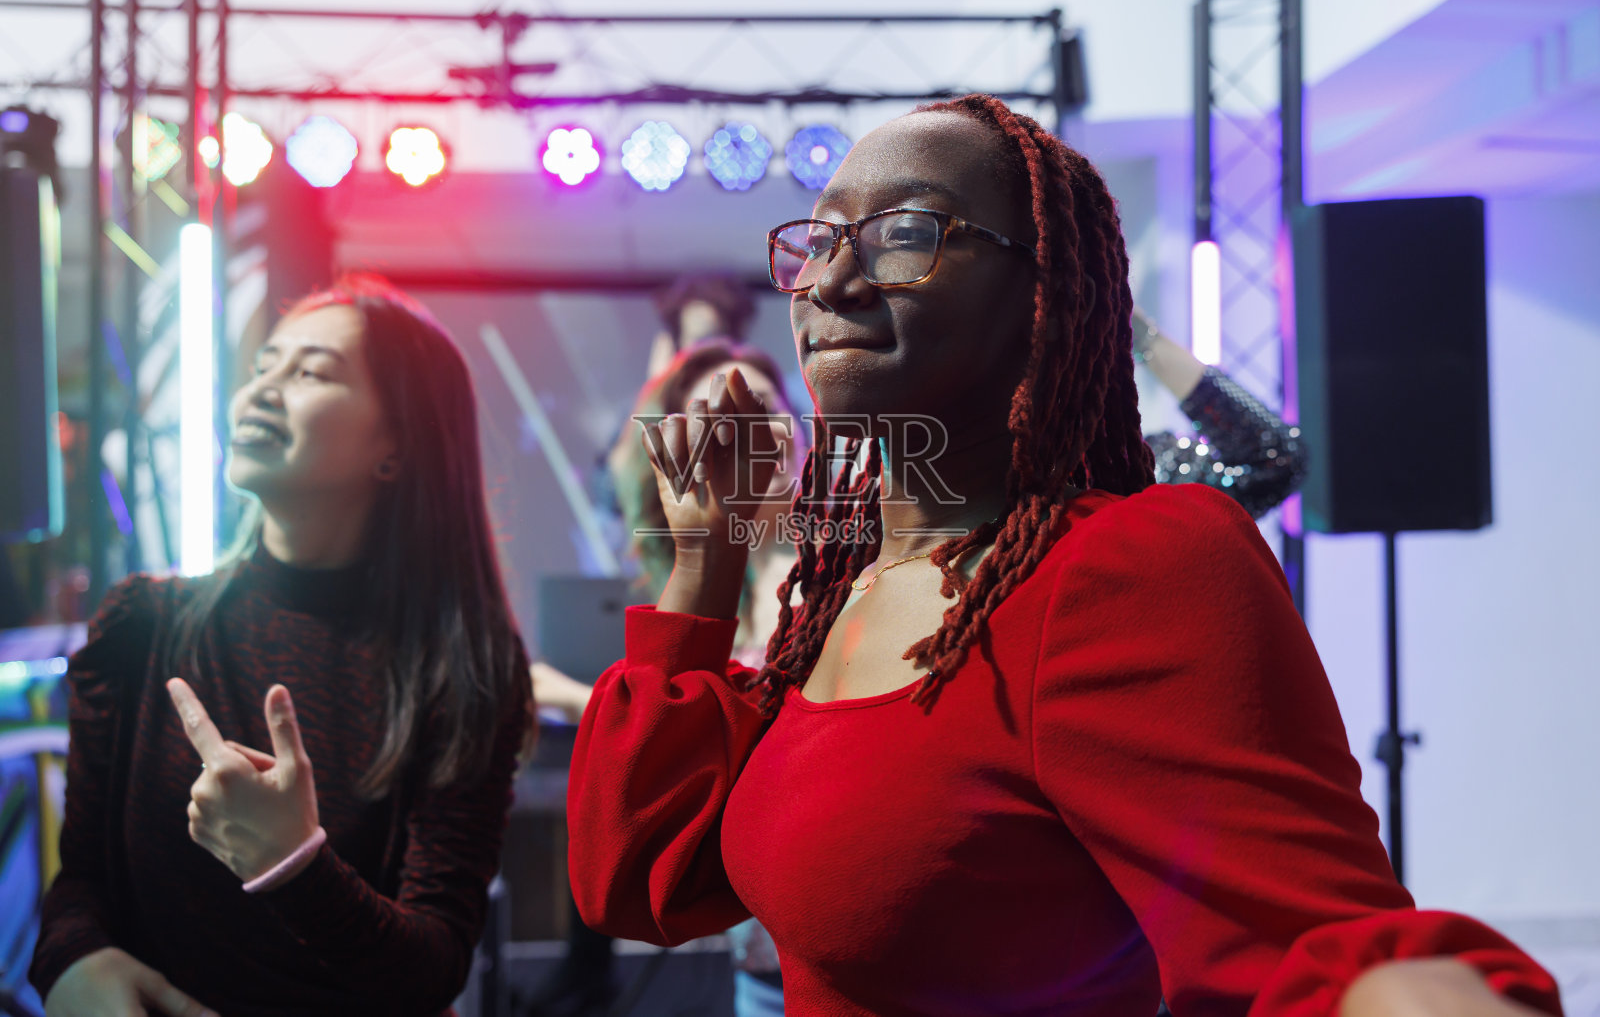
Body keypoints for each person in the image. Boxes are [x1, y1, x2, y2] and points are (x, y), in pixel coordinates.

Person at [564, 95, 1561, 1016]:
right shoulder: (842, 591)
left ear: (1046, 291)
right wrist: (703, 566)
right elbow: (634, 874)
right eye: (818, 239)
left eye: (903, 232)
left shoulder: (1129, 563)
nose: (828, 278)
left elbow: (1321, 936)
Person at [31, 275, 534, 1017]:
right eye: (265, 365)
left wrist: (292, 863)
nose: (261, 391)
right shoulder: (140, 625)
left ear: (395, 444)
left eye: (310, 372)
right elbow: (80, 888)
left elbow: (433, 966)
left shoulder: (464, 671)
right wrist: (73, 964)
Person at [534, 338, 799, 1017]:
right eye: (715, 421)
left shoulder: (860, 562)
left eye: (762, 407)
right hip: (761, 962)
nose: (741, 434)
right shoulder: (701, 590)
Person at [1131, 304, 1308, 519]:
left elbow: (1279, 462)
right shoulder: (1139, 474)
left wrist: (1136, 333)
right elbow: (1280, 462)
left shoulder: (1136, 469)